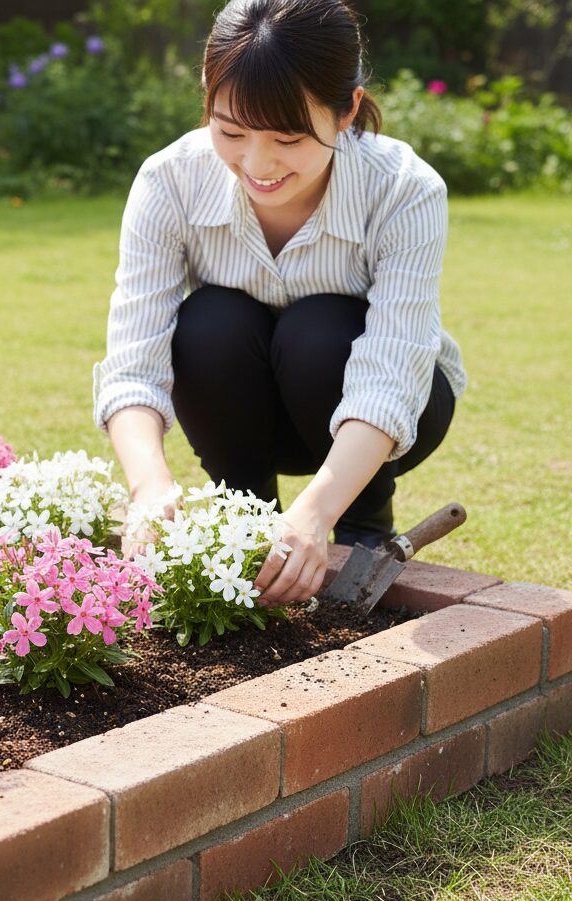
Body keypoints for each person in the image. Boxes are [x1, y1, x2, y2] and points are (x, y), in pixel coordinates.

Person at [93, 0, 466, 608]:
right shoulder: (169, 180)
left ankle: (362, 530)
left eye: (288, 137)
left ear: (346, 110)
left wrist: (316, 513)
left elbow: (392, 375)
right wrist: (150, 486)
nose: (257, 164)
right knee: (209, 320)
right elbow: (134, 359)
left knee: (319, 327)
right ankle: (248, 526)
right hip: (243, 412)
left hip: (387, 414)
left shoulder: (404, 188)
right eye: (231, 132)